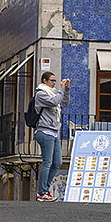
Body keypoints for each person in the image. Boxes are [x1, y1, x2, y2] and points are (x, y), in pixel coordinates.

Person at [33, 72, 71, 202]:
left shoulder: (54, 92)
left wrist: (66, 90)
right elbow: (55, 101)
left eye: (55, 80)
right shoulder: (41, 94)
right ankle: (42, 192)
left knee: (57, 162)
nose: (54, 83)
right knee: (48, 162)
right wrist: (60, 89)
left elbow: (63, 103)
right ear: (45, 80)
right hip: (44, 132)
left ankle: (45, 190)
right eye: (52, 80)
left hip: (53, 132)